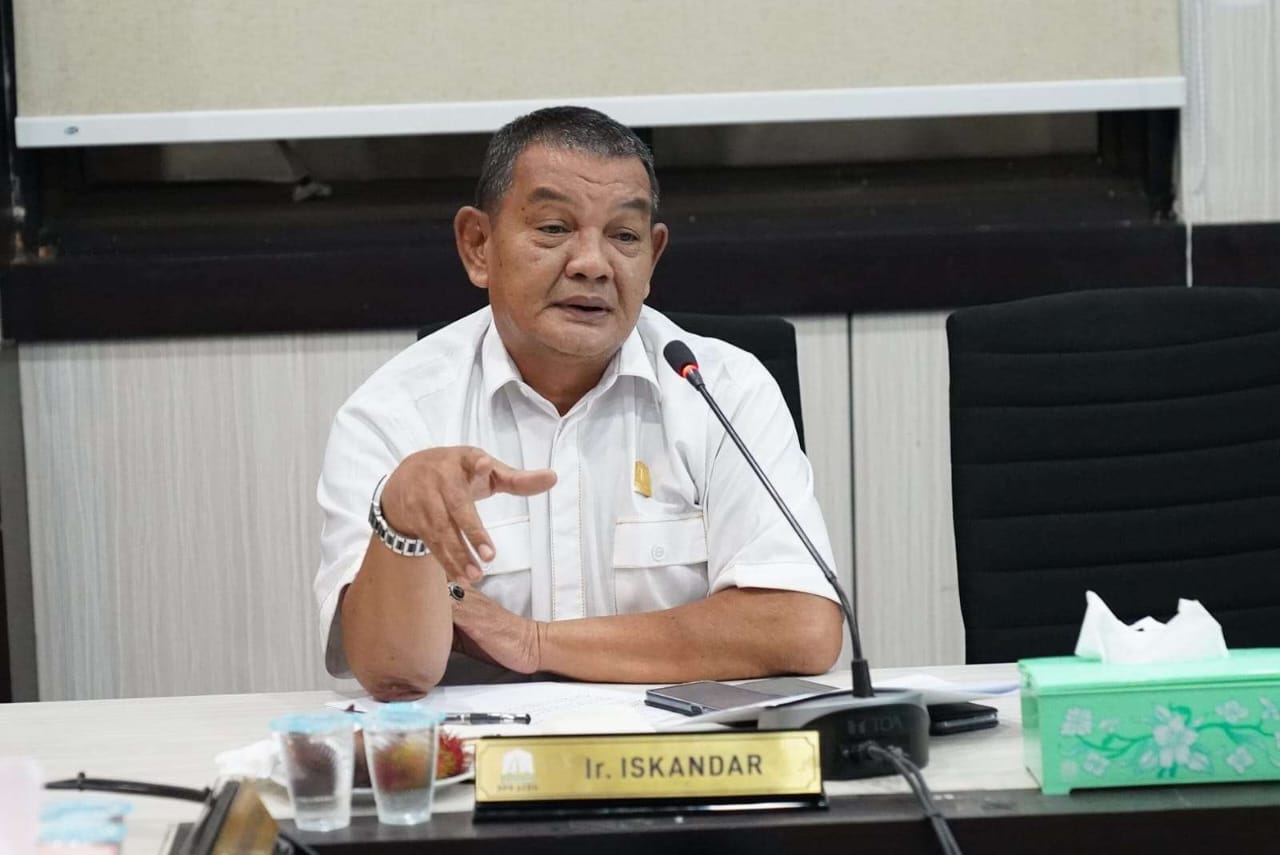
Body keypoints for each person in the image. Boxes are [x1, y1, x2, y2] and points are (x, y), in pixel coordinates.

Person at [315, 106, 842, 700]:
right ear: (478, 245)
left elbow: (800, 627)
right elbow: (392, 671)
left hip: (677, 745)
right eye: (554, 228)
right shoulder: (395, 413)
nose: (592, 264)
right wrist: (399, 521)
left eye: (624, 236)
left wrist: (534, 642)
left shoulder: (723, 390)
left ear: (652, 258)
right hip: (484, 750)